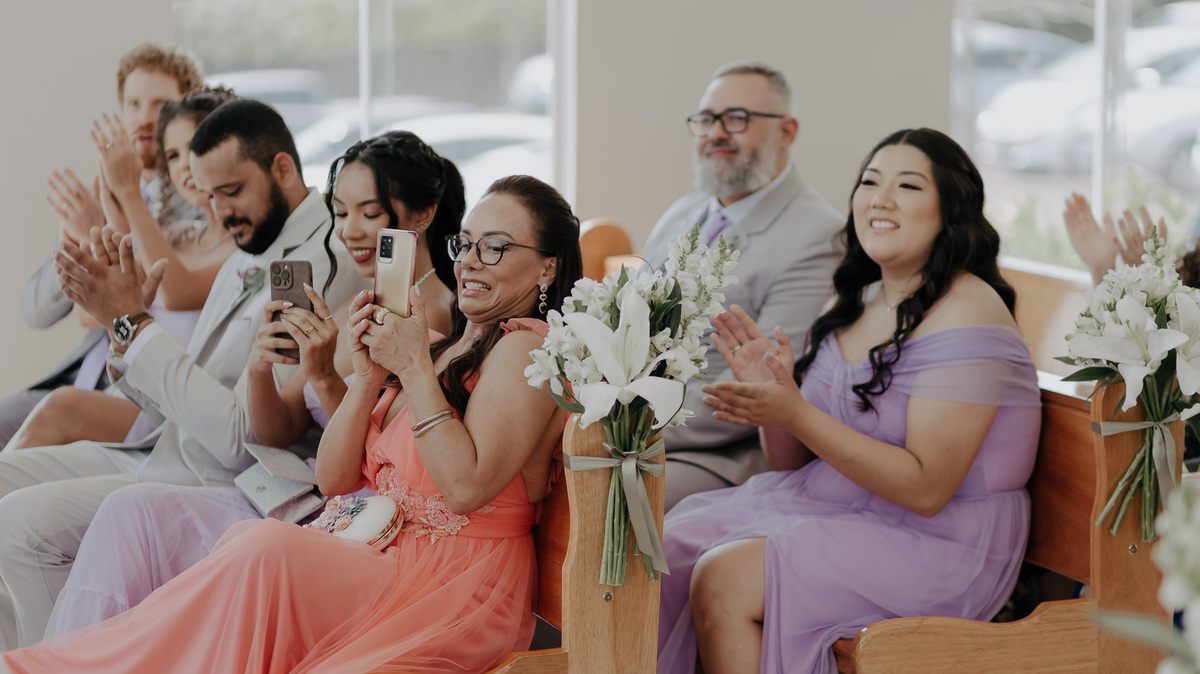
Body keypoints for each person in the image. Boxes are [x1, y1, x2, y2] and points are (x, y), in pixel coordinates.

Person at [3, 175, 583, 673]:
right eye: (467, 243)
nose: (471, 261)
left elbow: (466, 488)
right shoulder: (446, 346)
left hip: (456, 582)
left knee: (265, 551)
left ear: (548, 266)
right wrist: (366, 378)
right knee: (251, 549)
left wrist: (411, 368)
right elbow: (335, 480)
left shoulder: (526, 352)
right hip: (381, 548)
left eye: (497, 247)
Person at [43, 130, 466, 637]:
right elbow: (276, 430)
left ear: (423, 214)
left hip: (349, 511)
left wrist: (328, 378)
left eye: (369, 214)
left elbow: (386, 459)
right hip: (283, 481)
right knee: (126, 510)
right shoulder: (366, 301)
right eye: (340, 210)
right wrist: (260, 369)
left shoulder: (438, 316)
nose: (349, 231)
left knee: (137, 516)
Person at [657, 128, 1042, 674]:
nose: (880, 198)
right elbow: (792, 462)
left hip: (940, 543)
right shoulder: (856, 299)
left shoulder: (968, 312)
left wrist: (797, 412)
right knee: (670, 546)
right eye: (869, 182)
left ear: (950, 211)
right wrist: (778, 395)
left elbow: (928, 489)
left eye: (907, 186)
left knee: (728, 576)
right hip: (839, 506)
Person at [0, 99, 364, 649]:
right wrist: (119, 330)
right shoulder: (251, 245)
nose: (219, 214)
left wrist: (134, 323)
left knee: (18, 526)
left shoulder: (322, 264)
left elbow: (239, 439)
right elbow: (165, 399)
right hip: (157, 451)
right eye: (209, 195)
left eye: (231, 191)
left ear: (283, 169)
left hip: (213, 481)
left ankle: (56, 660)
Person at [640, 61, 844, 511]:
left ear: (786, 132)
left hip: (727, 453)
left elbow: (756, 386)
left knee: (607, 497)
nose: (716, 133)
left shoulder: (819, 236)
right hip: (640, 431)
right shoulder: (682, 212)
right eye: (706, 120)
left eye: (737, 119)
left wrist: (626, 422)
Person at [6, 86, 240, 451]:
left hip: (172, 407)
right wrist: (103, 207)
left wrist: (129, 191)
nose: (184, 166)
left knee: (61, 406)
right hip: (128, 386)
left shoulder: (241, 249)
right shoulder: (178, 236)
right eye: (172, 155)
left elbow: (175, 291)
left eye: (193, 148)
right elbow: (106, 294)